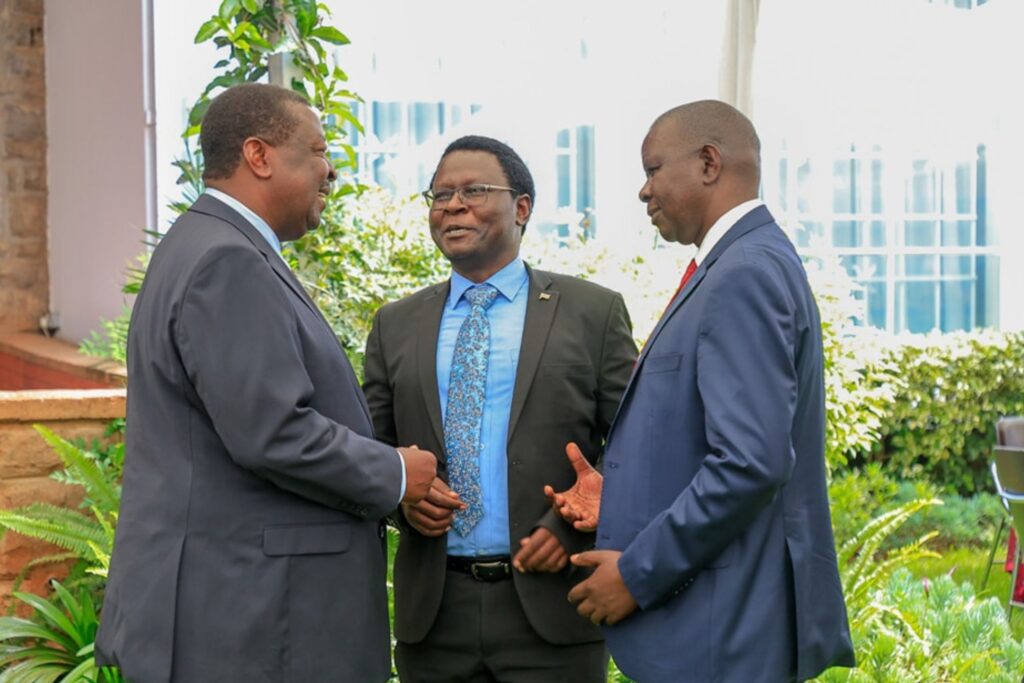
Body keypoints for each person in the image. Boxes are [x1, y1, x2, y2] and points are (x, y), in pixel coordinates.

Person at [95, 83, 437, 683]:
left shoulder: (202, 243)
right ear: (259, 156)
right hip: (252, 619)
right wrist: (398, 474)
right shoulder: (228, 260)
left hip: (231, 609)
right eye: (317, 150)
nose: (330, 170)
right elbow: (272, 431)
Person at [549, 101, 856, 682]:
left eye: (653, 169)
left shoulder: (743, 273)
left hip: (723, 632)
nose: (643, 192)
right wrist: (623, 493)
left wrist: (638, 573)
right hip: (725, 627)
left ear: (709, 162)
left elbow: (750, 463)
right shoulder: (743, 263)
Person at [362, 135, 637, 682]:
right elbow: (372, 450)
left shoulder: (593, 312)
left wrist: (573, 526)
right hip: (435, 616)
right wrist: (402, 501)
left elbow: (636, 442)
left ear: (523, 207)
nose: (453, 205)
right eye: (440, 195)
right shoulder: (395, 324)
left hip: (556, 608)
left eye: (473, 190)